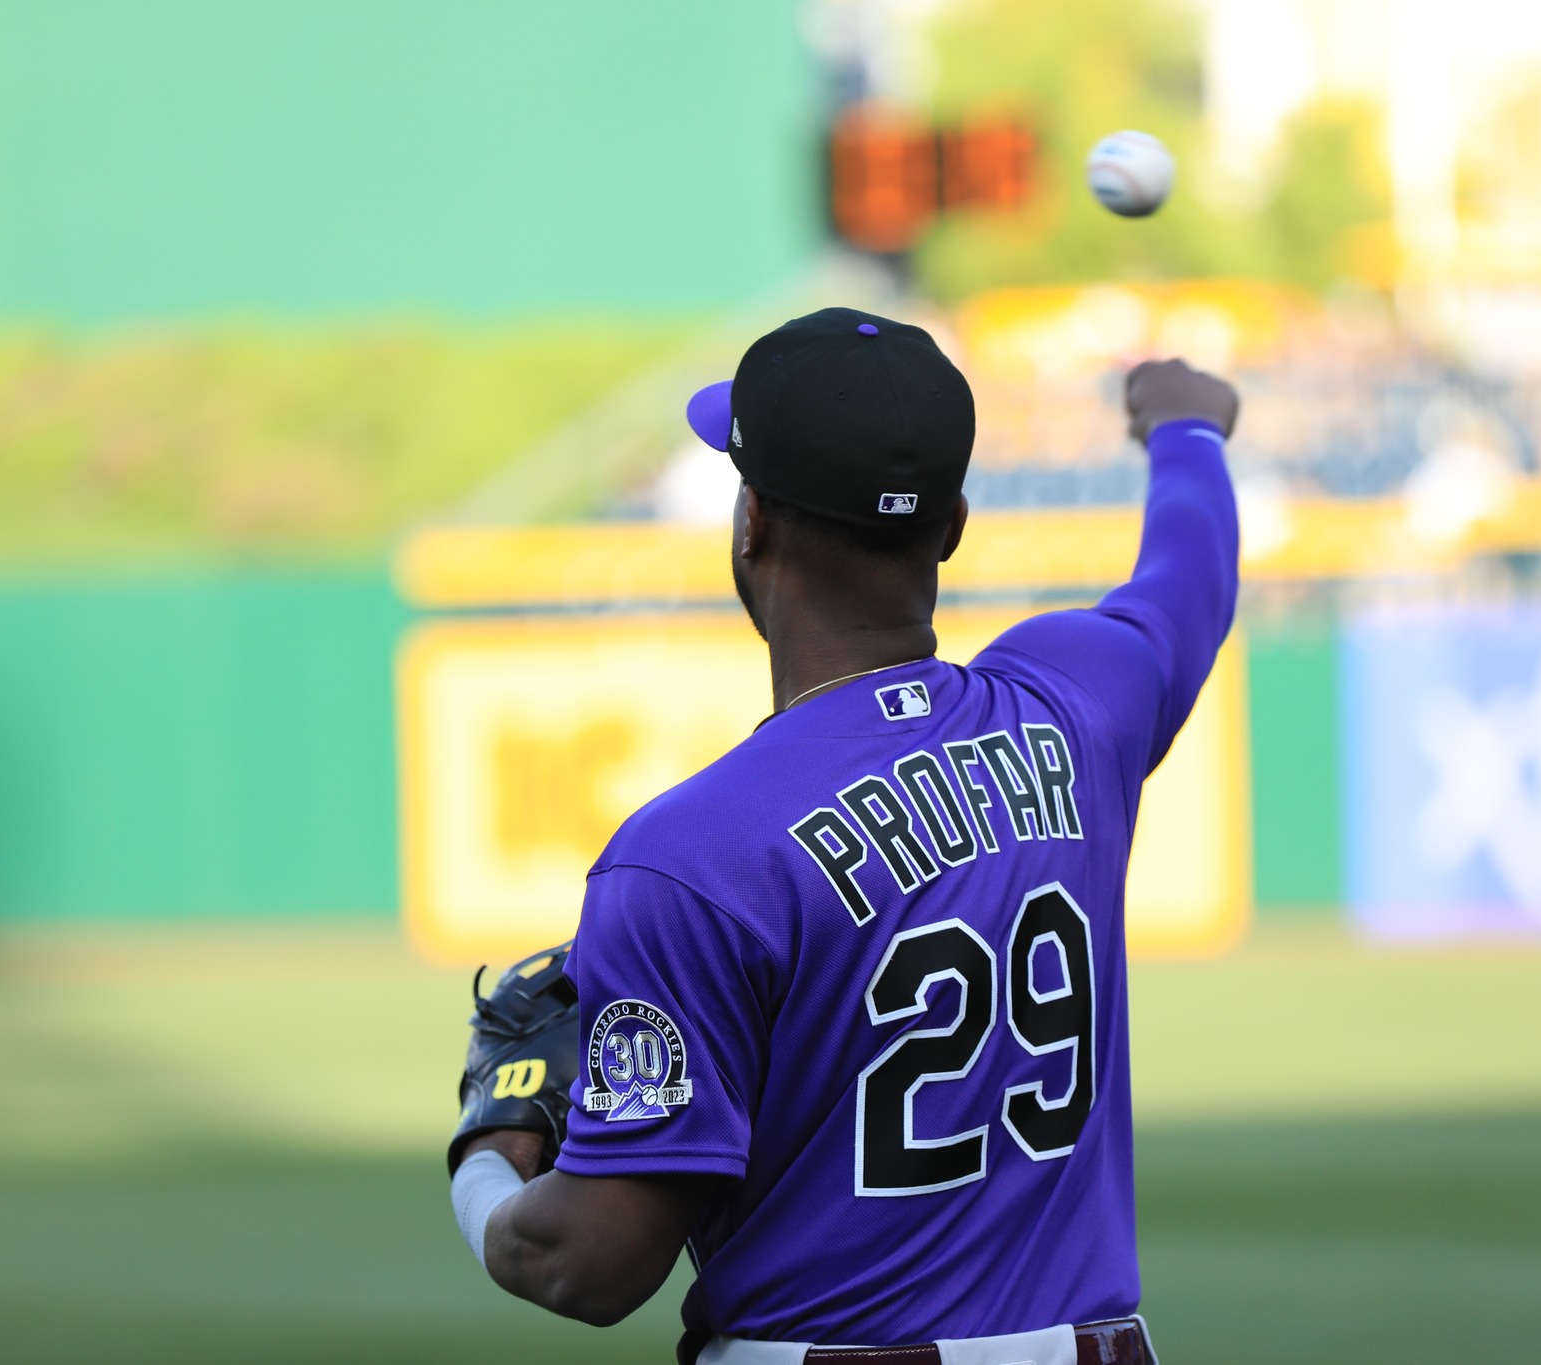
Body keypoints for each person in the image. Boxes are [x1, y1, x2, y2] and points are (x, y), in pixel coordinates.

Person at [446, 306, 1240, 1365]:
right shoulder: (1075, 704)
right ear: (953, 524)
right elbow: (1186, 582)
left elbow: (582, 1265)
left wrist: (485, 1156)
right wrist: (1185, 431)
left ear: (753, 521)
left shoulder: (688, 858)